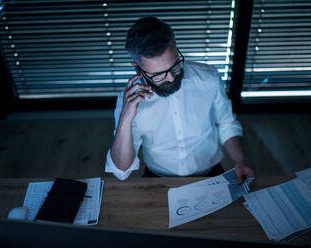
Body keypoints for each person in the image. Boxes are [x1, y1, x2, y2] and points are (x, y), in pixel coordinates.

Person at [105, 16, 255, 184]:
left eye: (175, 65)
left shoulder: (209, 77)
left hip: (212, 173)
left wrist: (241, 161)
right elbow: (121, 171)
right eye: (158, 75)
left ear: (176, 49)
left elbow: (227, 123)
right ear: (137, 68)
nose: (170, 78)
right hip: (157, 177)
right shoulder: (128, 101)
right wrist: (125, 118)